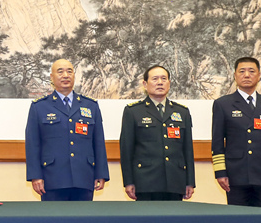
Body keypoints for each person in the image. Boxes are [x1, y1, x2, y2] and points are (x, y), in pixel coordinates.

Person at [25, 58, 108, 201]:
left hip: (84, 177)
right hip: (52, 178)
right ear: (52, 77)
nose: (65, 75)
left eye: (69, 71)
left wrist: (101, 173)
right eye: (60, 71)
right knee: (54, 216)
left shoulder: (90, 105)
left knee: (84, 216)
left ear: (74, 76)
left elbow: (98, 142)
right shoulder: (39, 107)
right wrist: (35, 176)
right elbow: (33, 144)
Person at [211, 56, 261, 208]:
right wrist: (220, 172)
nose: (246, 75)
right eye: (242, 71)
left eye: (251, 71)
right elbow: (217, 142)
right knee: (239, 219)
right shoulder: (223, 104)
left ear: (259, 75)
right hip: (237, 174)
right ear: (235, 75)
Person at [119, 65, 195, 201]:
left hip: (175, 181)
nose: (160, 82)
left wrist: (190, 181)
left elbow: (188, 149)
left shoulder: (182, 112)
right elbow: (126, 150)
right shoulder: (133, 111)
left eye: (164, 79)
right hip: (145, 182)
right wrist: (129, 182)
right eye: (155, 79)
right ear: (145, 84)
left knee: (175, 215)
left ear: (169, 83)